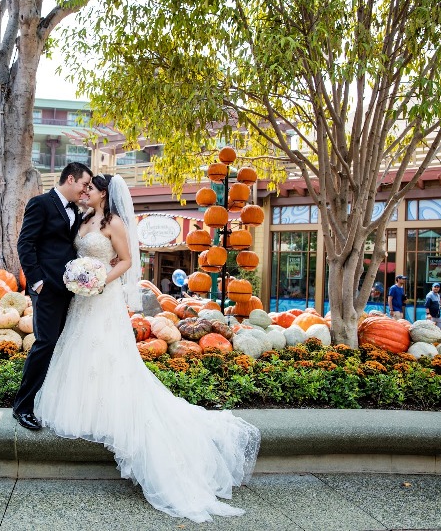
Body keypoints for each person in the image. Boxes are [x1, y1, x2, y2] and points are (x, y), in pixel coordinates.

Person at [33, 174, 260, 522]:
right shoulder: (83, 219)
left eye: (91, 188)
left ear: (105, 193)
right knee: (80, 351)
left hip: (101, 298)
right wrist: (80, 278)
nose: (85, 192)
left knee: (107, 355)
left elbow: (124, 262)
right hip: (81, 301)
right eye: (84, 188)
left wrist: (98, 281)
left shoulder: (115, 223)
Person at [13, 162, 93, 431]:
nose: (85, 190)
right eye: (83, 184)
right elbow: (25, 243)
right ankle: (22, 407)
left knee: (60, 345)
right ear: (70, 179)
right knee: (45, 343)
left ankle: (45, 402)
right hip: (45, 287)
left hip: (69, 289)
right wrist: (36, 282)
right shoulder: (41, 203)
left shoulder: (77, 211)